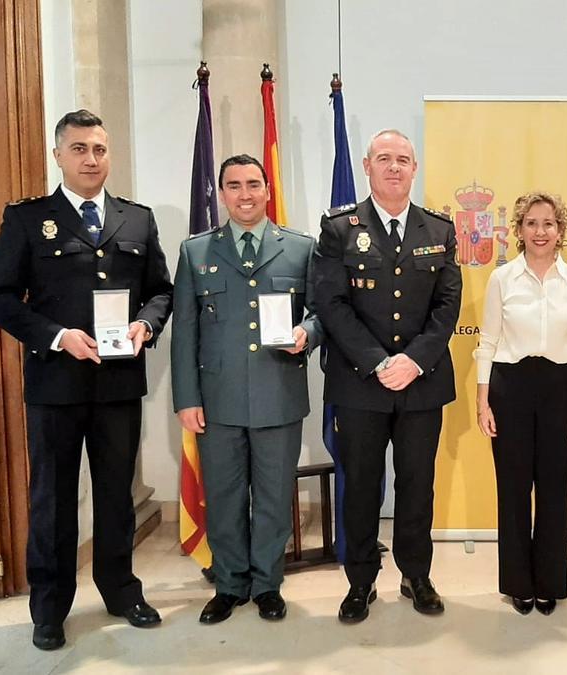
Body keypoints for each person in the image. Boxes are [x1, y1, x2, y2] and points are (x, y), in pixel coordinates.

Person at [0, 110, 173, 650]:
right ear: (58, 155)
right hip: (56, 384)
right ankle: (49, 607)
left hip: (118, 385)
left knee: (117, 495)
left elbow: (162, 290)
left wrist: (146, 324)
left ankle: (121, 590)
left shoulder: (137, 219)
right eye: (81, 149)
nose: (92, 159)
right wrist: (57, 335)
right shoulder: (27, 219)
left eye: (100, 149)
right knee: (54, 500)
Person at [313, 129, 462, 623]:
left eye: (402, 159)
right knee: (361, 484)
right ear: (367, 165)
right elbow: (331, 304)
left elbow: (447, 306)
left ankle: (416, 574)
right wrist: (378, 362)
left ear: (414, 168)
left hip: (422, 381)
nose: (394, 167)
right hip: (360, 384)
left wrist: (413, 361)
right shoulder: (338, 228)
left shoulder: (438, 230)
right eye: (384, 159)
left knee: (418, 485)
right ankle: (360, 582)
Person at [171, 154, 321, 625]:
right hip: (218, 401)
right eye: (233, 185)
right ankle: (230, 584)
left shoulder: (300, 248)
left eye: (253, 183)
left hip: (278, 393)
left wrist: (308, 333)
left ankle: (267, 584)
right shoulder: (196, 252)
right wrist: (186, 399)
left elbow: (321, 313)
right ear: (221, 193)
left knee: (275, 496)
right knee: (226, 493)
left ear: (267, 189)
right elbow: (184, 334)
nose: (245, 194)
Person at [474, 191, 567, 616]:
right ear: (519, 230)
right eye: (531, 223)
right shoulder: (501, 279)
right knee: (512, 490)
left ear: (560, 230)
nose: (540, 232)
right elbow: (487, 342)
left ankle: (549, 583)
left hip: (561, 389)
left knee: (555, 492)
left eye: (548, 224)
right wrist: (482, 400)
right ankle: (517, 583)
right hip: (510, 388)